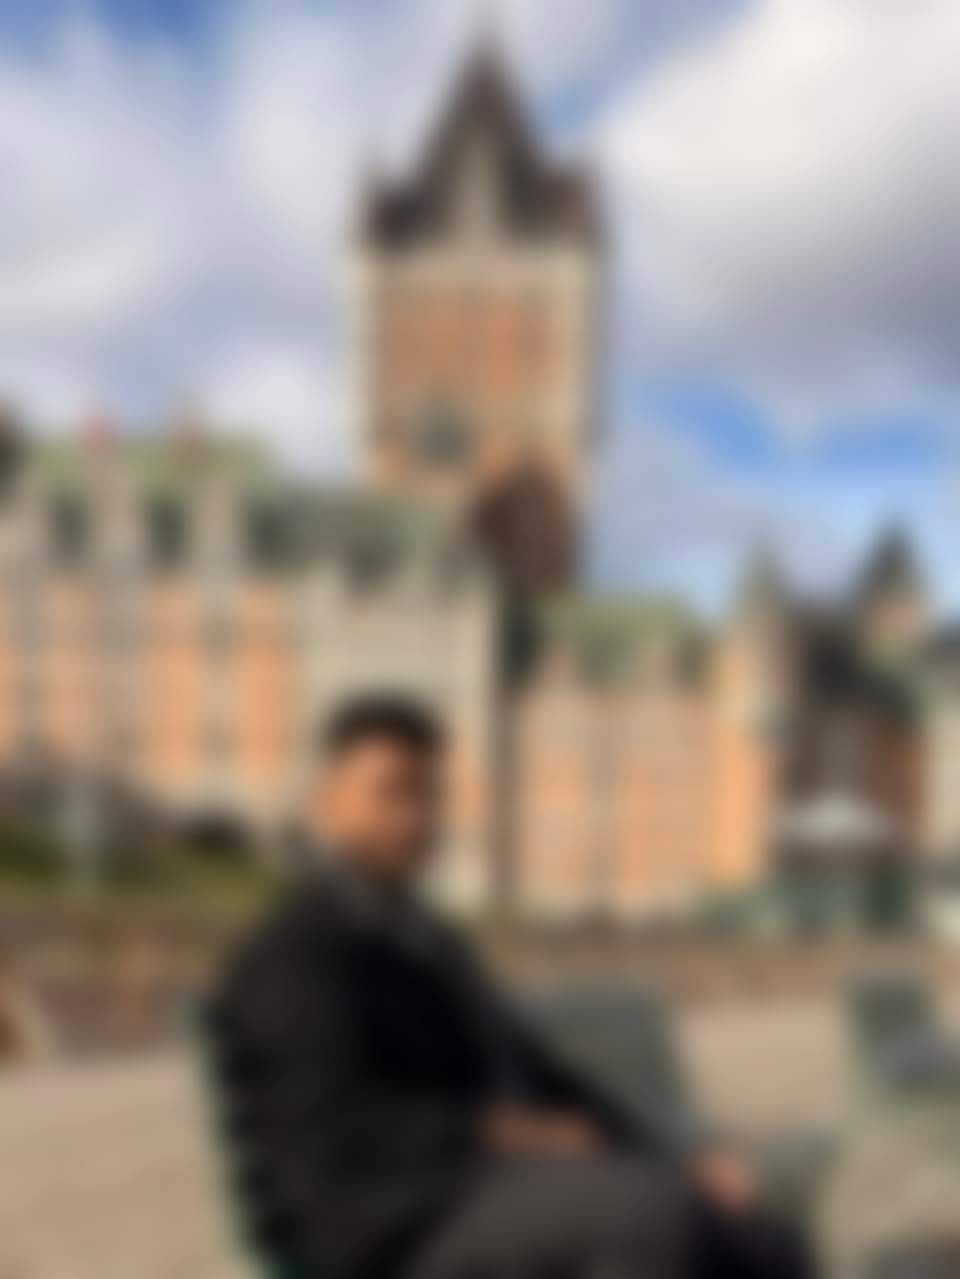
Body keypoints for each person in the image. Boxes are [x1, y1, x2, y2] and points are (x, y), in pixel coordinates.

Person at [211, 692, 815, 1279]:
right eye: (392, 792)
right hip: (386, 1227)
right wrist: (494, 1130)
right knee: (644, 1219)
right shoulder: (297, 951)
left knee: (759, 1242)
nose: (417, 817)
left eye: (428, 794)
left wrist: (678, 1161)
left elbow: (544, 1077)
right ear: (326, 803)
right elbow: (332, 1124)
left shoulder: (425, 940)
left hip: (482, 1193)